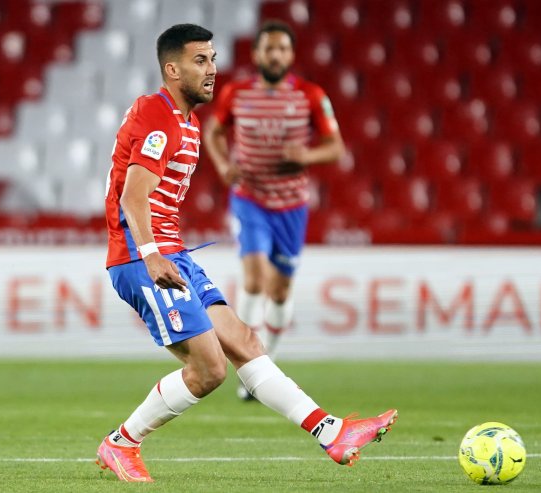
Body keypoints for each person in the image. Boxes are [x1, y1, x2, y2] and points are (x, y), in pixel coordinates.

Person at [97, 24, 396, 483]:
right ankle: (122, 442)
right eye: (200, 61)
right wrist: (152, 256)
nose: (212, 69)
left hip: (172, 254)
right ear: (172, 70)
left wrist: (164, 254)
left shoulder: (187, 122)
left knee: (246, 342)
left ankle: (332, 432)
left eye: (213, 59)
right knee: (209, 370)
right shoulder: (157, 115)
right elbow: (133, 196)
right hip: (141, 259)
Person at [202, 20, 345, 400]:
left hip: (291, 207)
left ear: (291, 54)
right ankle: (250, 368)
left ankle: (270, 358)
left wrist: (306, 156)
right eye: (269, 48)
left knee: (279, 293)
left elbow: (335, 147)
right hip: (250, 199)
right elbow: (212, 132)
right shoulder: (236, 93)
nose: (275, 55)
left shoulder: (310, 95)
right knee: (253, 279)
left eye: (282, 49)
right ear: (257, 54)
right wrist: (223, 164)